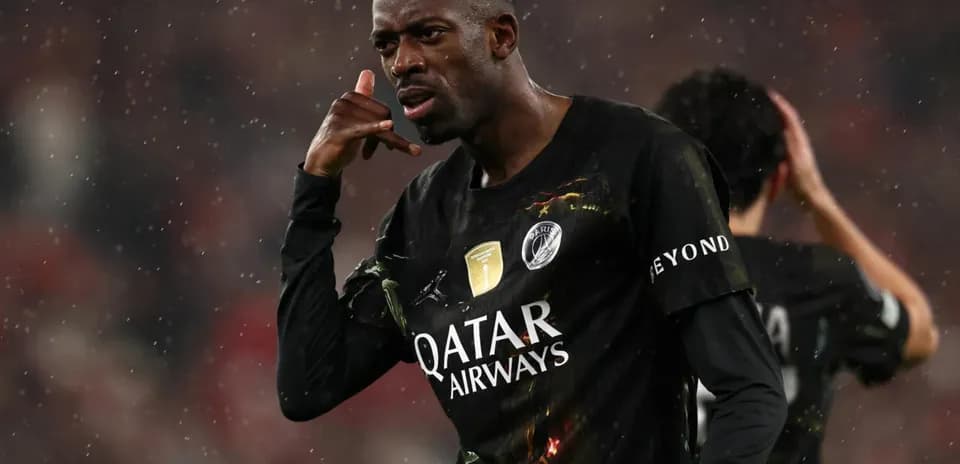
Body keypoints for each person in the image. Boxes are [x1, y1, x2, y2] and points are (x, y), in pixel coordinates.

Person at [276, 1, 787, 463]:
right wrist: (317, 185)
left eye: (428, 34)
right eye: (387, 45)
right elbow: (308, 385)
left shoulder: (639, 159)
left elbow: (749, 392)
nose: (402, 62)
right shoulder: (422, 214)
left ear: (501, 36)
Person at [655, 68, 940, 464]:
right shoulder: (817, 279)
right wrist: (817, 198)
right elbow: (921, 335)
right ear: (778, 179)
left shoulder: (622, 278)